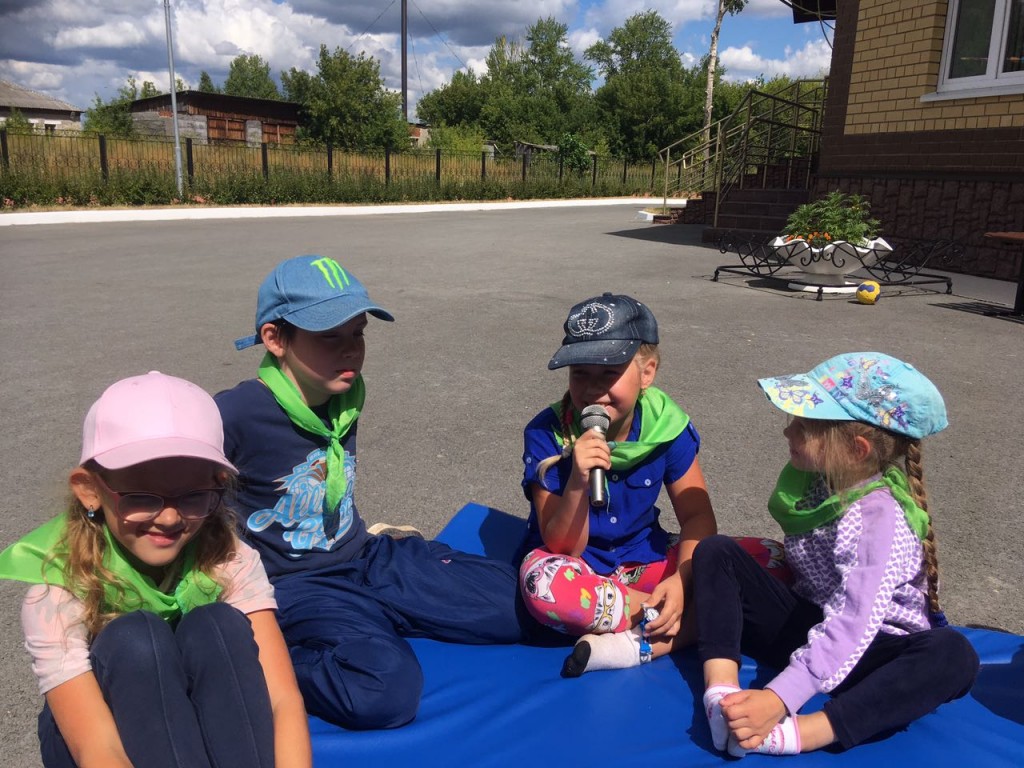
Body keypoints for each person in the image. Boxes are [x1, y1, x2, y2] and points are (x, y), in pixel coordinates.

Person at [215, 254, 526, 730]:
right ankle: (266, 654)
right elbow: (169, 485)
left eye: (357, 334)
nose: (350, 351)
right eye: (329, 337)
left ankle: (392, 610)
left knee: (525, 604)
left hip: (366, 557)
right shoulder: (234, 414)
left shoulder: (343, 393)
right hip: (298, 585)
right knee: (383, 692)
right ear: (274, 338)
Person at [0, 372, 310, 768]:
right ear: (89, 490)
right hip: (102, 738)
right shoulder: (59, 587)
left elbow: (281, 699)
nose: (169, 518)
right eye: (141, 496)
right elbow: (97, 748)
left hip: (204, 717)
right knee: (136, 639)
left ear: (217, 485)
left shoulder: (227, 556)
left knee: (217, 624)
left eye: (193, 495)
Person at [693, 352, 979, 757]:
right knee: (718, 551)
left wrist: (778, 699)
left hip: (876, 654)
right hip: (816, 628)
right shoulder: (820, 480)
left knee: (953, 654)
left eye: (803, 426)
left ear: (856, 450)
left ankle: (808, 731)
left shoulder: (879, 520)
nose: (787, 431)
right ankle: (722, 694)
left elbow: (853, 621)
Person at [519, 292, 721, 677]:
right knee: (543, 586)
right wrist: (578, 481)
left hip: (643, 560)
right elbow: (561, 545)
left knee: (766, 560)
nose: (593, 391)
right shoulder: (546, 433)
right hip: (577, 568)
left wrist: (682, 581)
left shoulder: (668, 427)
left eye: (609, 374)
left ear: (647, 373)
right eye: (580, 373)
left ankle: (638, 636)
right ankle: (690, 621)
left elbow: (697, 515)